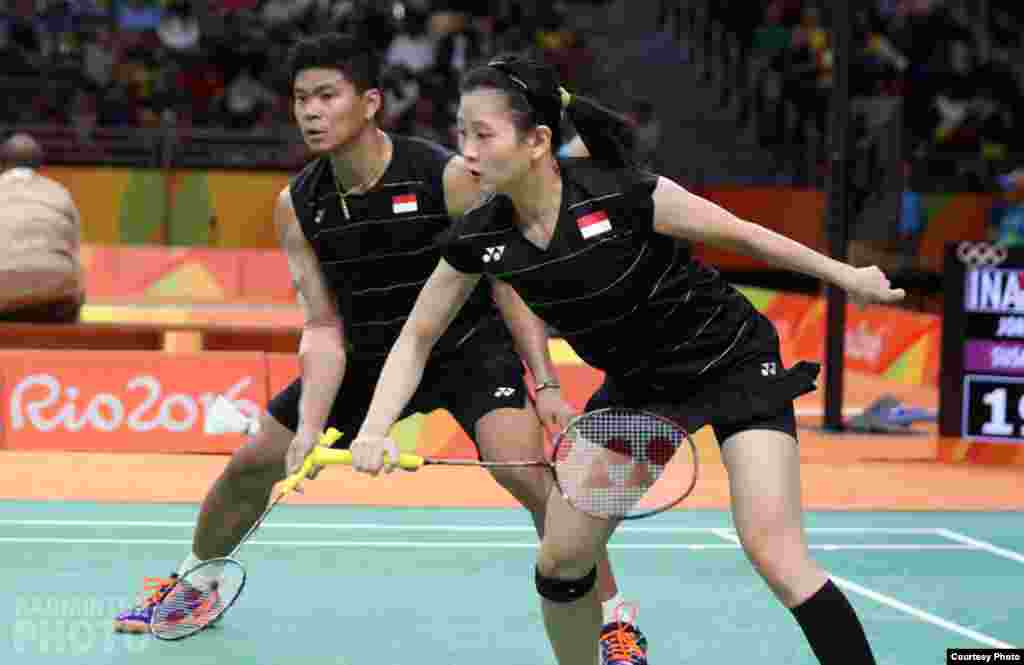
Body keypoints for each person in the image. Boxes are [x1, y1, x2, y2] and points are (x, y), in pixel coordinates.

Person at [350, 55, 906, 665]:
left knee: (775, 552)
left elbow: (745, 235)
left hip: (731, 362)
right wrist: (375, 428)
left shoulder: (619, 190)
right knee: (562, 560)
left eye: (484, 134)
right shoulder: (481, 234)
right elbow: (417, 336)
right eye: (461, 133)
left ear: (537, 141)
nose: (467, 151)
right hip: (639, 393)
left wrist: (844, 274)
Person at [112, 33, 645, 657]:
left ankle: (613, 616)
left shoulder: (443, 176)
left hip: (463, 348)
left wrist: (547, 383)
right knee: (254, 461)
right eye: (300, 98)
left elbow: (508, 283)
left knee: (524, 472)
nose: (310, 111)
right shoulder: (298, 204)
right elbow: (321, 326)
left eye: (326, 95)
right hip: (365, 355)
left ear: (368, 103)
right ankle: (196, 579)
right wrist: (310, 425)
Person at [0, 133, 84, 323]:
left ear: (2, 165)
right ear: (40, 167)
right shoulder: (60, 193)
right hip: (54, 301)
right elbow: (74, 251)